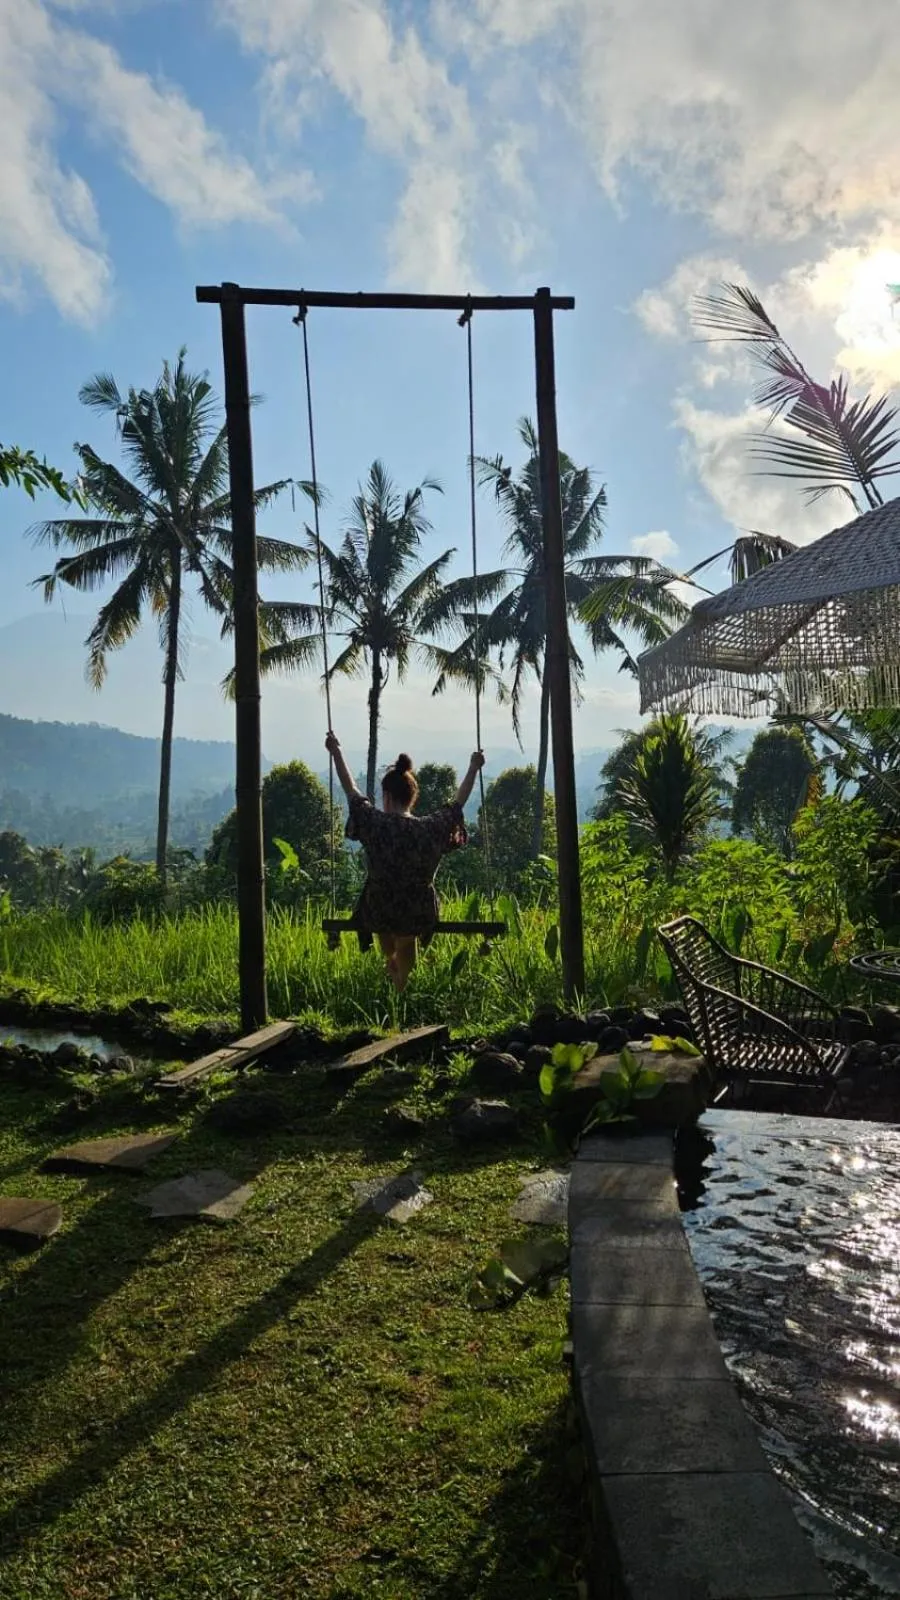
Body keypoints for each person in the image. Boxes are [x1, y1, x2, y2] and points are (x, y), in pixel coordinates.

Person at [325, 731, 486, 991]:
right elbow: (458, 802)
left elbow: (351, 790)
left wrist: (337, 752)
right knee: (406, 933)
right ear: (413, 798)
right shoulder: (430, 828)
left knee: (384, 924)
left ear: (386, 796)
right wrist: (473, 768)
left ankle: (393, 966)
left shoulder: (376, 824)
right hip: (418, 910)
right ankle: (402, 980)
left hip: (379, 907)